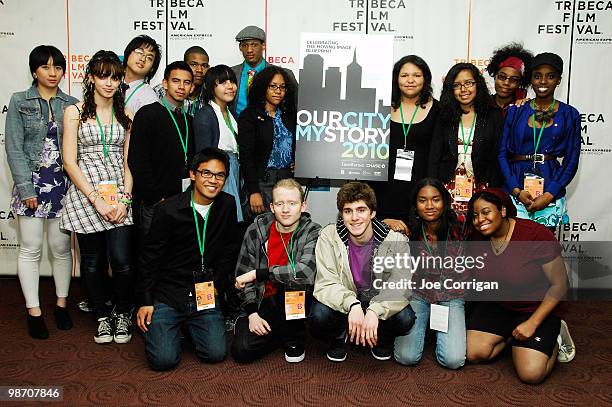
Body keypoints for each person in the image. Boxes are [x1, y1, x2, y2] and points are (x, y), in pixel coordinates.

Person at [136, 148, 237, 371]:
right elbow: (149, 258)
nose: (213, 180)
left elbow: (229, 249)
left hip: (204, 292)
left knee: (215, 353)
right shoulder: (168, 210)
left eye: (219, 175)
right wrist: (145, 300)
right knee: (163, 361)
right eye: (206, 173)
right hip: (169, 293)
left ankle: (187, 327)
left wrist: (218, 283)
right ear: (193, 174)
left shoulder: (227, 205)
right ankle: (169, 328)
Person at [60, 50, 134, 344]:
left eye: (115, 77)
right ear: (91, 77)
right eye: (103, 75)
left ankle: (124, 312)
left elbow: (130, 161)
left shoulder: (126, 114)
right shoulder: (74, 112)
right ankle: (103, 315)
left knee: (122, 260)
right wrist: (96, 199)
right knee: (91, 261)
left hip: (119, 194)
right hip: (85, 194)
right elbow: (69, 161)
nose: (109, 82)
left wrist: (124, 200)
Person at [5, 45, 78, 339]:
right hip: (31, 186)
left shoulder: (71, 104)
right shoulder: (19, 100)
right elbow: (13, 148)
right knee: (30, 248)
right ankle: (34, 311)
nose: (53, 73)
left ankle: (61, 305)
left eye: (58, 67)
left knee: (61, 249)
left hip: (63, 185)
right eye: (46, 67)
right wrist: (25, 188)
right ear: (34, 70)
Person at [465, 189, 573, 384]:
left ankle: (556, 336)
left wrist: (532, 323)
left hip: (536, 308)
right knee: (472, 353)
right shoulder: (477, 238)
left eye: (486, 212)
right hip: (500, 305)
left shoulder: (534, 235)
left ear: (503, 211)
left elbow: (560, 284)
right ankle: (513, 337)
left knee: (530, 373)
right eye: (474, 216)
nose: (480, 220)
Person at [310, 182, 415, 362]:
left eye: (361, 210)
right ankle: (339, 336)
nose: (355, 217)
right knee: (318, 314)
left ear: (372, 213)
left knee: (405, 318)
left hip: (376, 299)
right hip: (345, 300)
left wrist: (374, 310)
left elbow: (400, 286)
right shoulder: (328, 236)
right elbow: (326, 283)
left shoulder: (396, 240)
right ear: (341, 215)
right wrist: (352, 304)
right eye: (348, 211)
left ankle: (382, 339)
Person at [232, 179, 321, 363]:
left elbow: (305, 272)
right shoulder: (256, 230)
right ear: (272, 207)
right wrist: (252, 314)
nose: (285, 210)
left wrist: (259, 273)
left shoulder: (312, 231)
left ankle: (292, 335)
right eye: (280, 204)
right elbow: (242, 273)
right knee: (242, 351)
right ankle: (279, 331)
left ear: (303, 206)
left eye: (292, 203)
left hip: (295, 299)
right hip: (262, 299)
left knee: (292, 283)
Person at [498, 52, 580, 230]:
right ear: (531, 79)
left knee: (544, 252)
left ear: (559, 79)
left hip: (550, 188)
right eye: (537, 76)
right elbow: (503, 153)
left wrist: (550, 193)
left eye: (550, 76)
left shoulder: (570, 114)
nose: (543, 81)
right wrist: (516, 190)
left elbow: (571, 160)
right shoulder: (515, 111)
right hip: (516, 189)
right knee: (513, 249)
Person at [394, 178, 466, 369]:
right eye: (422, 200)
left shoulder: (460, 226)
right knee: (405, 357)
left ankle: (440, 332)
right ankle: (426, 328)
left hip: (451, 296)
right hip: (420, 294)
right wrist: (385, 221)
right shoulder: (409, 230)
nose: (429, 206)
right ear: (415, 204)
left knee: (453, 360)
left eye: (435, 199)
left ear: (444, 201)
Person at [369, 55, 440, 235]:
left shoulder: (438, 110)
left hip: (420, 197)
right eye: (404, 75)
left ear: (425, 79)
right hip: (382, 192)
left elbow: (436, 156)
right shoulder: (379, 107)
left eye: (416, 75)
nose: (410, 80)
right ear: (396, 79)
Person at [129, 61, 196, 238]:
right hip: (156, 203)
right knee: (151, 256)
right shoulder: (148, 114)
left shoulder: (189, 120)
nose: (181, 87)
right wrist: (156, 199)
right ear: (165, 83)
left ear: (192, 87)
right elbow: (137, 161)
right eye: (176, 81)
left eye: (186, 82)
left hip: (183, 202)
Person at [428, 62, 503, 220]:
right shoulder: (444, 115)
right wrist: (433, 191)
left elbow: (497, 157)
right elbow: (434, 156)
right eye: (457, 85)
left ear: (478, 84)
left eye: (468, 83)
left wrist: (494, 192)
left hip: (482, 188)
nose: (463, 89)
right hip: (447, 187)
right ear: (450, 89)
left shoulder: (493, 115)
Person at [238, 66, 297, 218]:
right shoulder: (249, 115)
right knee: (261, 232)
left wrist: (298, 162)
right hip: (262, 182)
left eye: (282, 87)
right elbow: (246, 156)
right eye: (273, 86)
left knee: (285, 229)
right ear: (263, 86)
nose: (278, 91)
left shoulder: (290, 116)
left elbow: (298, 145)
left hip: (286, 181)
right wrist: (254, 191)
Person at [193, 65, 242, 221]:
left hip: (233, 172)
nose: (230, 86)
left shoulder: (231, 113)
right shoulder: (205, 115)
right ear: (210, 87)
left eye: (232, 82)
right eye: (223, 82)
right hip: (218, 173)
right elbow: (204, 156)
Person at [231, 25, 298, 117]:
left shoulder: (284, 75)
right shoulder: (230, 74)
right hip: (237, 129)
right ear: (240, 47)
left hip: (272, 129)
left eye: (254, 45)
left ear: (263, 46)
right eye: (245, 45)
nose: (249, 50)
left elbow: (296, 105)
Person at [155, 46, 210, 116]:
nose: (199, 70)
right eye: (193, 64)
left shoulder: (210, 94)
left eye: (204, 66)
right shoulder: (160, 91)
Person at [486, 43, 533, 112]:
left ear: (520, 82)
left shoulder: (524, 107)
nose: (506, 83)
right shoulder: (483, 105)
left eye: (514, 80)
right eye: (502, 77)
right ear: (495, 76)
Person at [121, 35, 161, 113]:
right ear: (128, 53)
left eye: (149, 58)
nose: (142, 59)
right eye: (139, 52)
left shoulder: (150, 98)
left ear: (152, 68)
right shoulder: (108, 81)